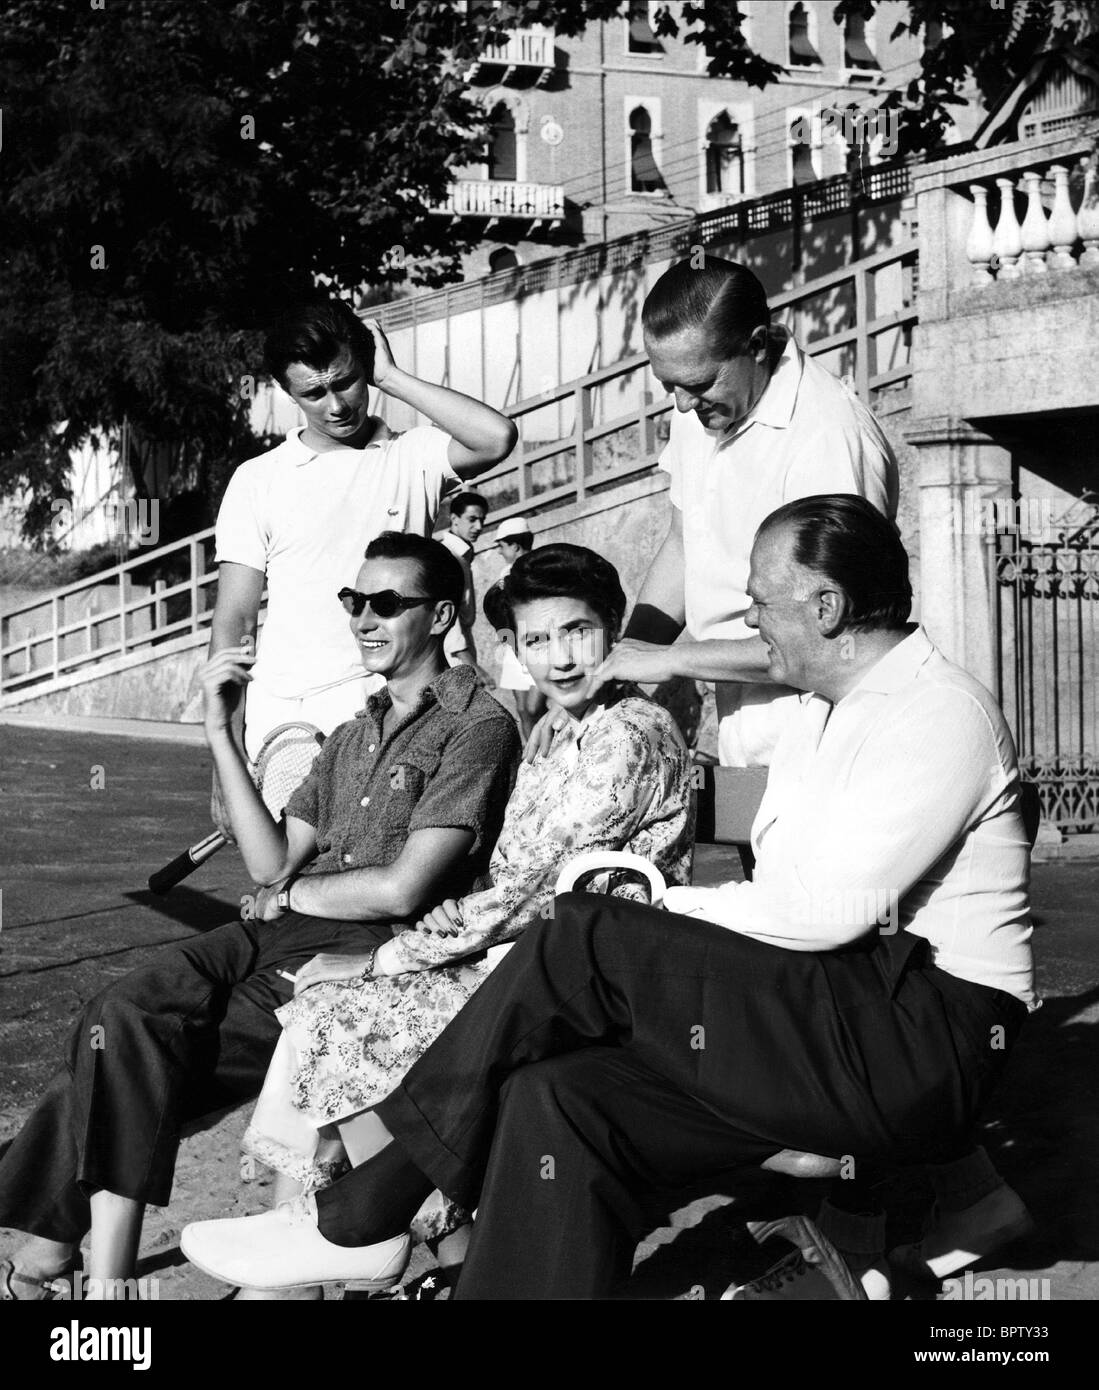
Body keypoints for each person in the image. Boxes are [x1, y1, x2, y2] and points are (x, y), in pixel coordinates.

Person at [180, 496, 1038, 1302]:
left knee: (586, 933)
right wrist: (660, 911)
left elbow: (825, 913)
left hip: (922, 1034)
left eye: (760, 603)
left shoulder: (934, 711)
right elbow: (787, 900)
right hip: (837, 1004)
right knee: (555, 1098)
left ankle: (365, 1212)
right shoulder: (827, 707)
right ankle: (402, 1234)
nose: (748, 622)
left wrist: (654, 912)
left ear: (823, 607)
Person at [0, 533, 519, 1300]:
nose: (363, 619)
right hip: (274, 932)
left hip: (366, 946)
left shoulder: (475, 725)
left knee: (135, 1060)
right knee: (123, 1015)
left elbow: (403, 890)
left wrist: (292, 895)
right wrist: (219, 729)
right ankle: (63, 1259)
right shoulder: (353, 730)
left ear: (442, 615)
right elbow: (272, 863)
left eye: (386, 603)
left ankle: (83, 1274)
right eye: (354, 602)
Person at [208, 543, 694, 1299]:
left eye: (578, 632)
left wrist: (388, 956)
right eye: (537, 640)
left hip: (588, 980)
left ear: (614, 629)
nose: (560, 658)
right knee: (326, 1010)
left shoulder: (625, 733)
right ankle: (363, 1243)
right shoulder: (561, 730)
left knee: (349, 1013)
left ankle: (345, 1244)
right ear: (513, 649)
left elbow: (522, 893)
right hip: (530, 962)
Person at [567, 254, 899, 769]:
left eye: (698, 384)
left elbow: (828, 635)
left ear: (758, 346)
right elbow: (683, 546)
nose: (680, 405)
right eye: (667, 385)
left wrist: (673, 659)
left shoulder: (828, 436)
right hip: (742, 718)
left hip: (828, 730)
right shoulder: (700, 409)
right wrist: (617, 672)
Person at [210, 299, 515, 769]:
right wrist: (224, 758)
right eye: (314, 393)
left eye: (347, 381)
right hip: (290, 719)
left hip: (403, 711)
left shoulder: (413, 454)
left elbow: (496, 438)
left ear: (365, 366)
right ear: (287, 393)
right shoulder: (257, 479)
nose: (336, 406)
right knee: (289, 849)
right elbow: (235, 623)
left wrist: (391, 377)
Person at [485, 516, 548, 740]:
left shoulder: (541, 568)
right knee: (523, 709)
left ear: (515, 545)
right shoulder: (504, 575)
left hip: (538, 647)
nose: (499, 552)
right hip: (513, 646)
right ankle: (534, 761)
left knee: (534, 708)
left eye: (501, 546)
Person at [438, 491, 491, 684]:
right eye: (472, 519)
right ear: (454, 519)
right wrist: (471, 665)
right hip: (452, 655)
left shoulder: (462, 555)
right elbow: (447, 612)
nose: (479, 526)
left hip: (462, 650)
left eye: (482, 520)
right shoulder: (448, 556)